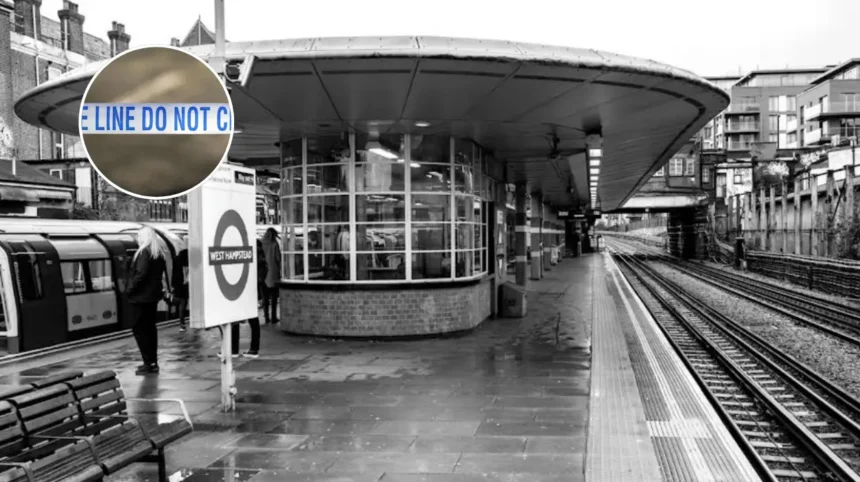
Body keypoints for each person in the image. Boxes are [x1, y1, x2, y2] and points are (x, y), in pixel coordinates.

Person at [127, 226, 168, 375]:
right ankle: (152, 362)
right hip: (152, 297)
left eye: (139, 236)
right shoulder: (158, 254)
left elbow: (140, 274)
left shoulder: (144, 252)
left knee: (139, 329)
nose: (138, 239)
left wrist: (129, 289)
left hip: (140, 298)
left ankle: (148, 363)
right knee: (150, 329)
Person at [217, 239, 264, 359]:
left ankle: (234, 349)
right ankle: (253, 349)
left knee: (235, 318)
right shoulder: (259, 256)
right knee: (253, 321)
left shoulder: (247, 256)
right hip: (253, 291)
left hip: (243, 290)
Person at [261, 228, 281, 324]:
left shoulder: (261, 243)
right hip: (273, 273)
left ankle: (266, 316)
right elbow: (278, 258)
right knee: (274, 297)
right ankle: (273, 317)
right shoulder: (274, 244)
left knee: (265, 297)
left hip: (263, 274)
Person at [171, 240, 189, 332]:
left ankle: (182, 324)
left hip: (179, 285)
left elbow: (174, 273)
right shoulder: (190, 258)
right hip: (189, 285)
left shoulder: (176, 259)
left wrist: (173, 285)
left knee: (182, 304)